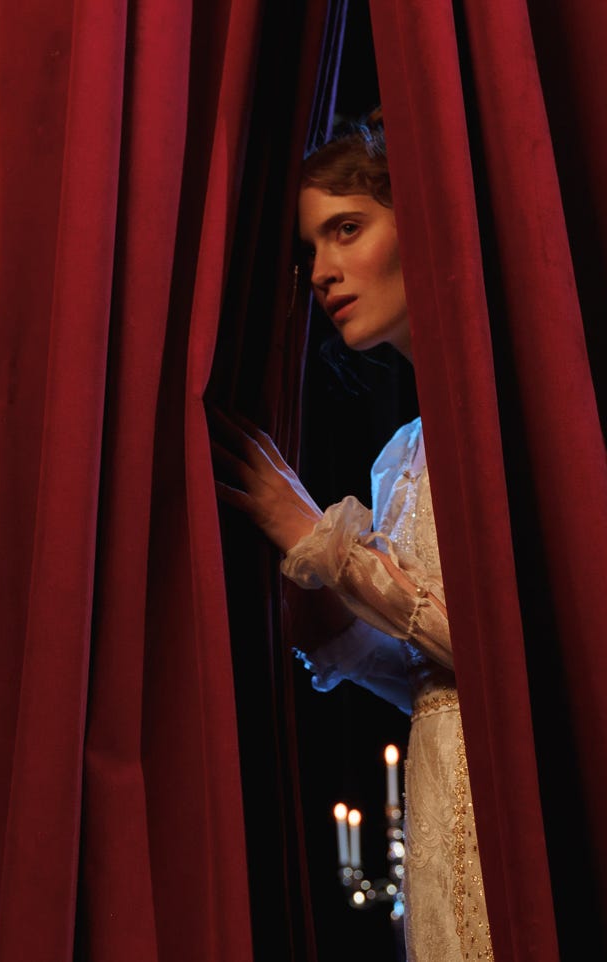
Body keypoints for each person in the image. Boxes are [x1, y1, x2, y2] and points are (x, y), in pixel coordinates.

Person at [209, 113, 494, 961]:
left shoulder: (499, 420)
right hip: (439, 794)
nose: (323, 272)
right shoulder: (401, 456)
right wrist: (335, 620)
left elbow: (507, 660)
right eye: (311, 249)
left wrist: (324, 543)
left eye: (347, 229)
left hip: (511, 800)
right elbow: (434, 681)